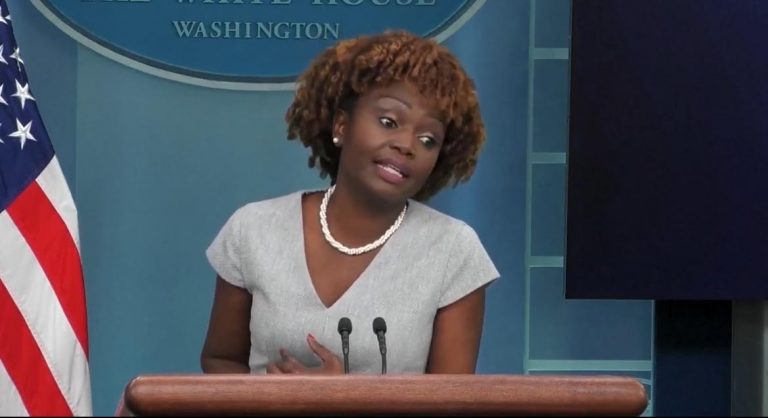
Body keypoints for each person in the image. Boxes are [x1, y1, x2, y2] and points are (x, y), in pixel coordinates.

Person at [201, 30, 499, 375]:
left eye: (428, 139)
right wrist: (272, 399)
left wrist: (346, 397)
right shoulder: (254, 229)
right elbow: (221, 360)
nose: (407, 145)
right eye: (388, 122)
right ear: (342, 125)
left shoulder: (453, 250)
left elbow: (453, 399)